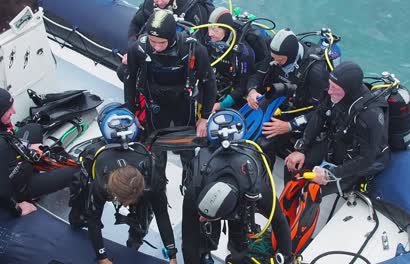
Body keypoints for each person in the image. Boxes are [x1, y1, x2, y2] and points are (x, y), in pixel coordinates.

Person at [68, 103, 177, 264]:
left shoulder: (152, 178)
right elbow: (93, 218)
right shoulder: (100, 185)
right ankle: (76, 218)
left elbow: (162, 214)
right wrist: (102, 256)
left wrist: (172, 253)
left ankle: (134, 242)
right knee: (82, 200)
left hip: (139, 182)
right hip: (102, 172)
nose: (126, 206)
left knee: (143, 220)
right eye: (125, 202)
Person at [181, 110, 293, 264]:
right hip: (216, 187)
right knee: (203, 238)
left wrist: (287, 256)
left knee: (239, 237)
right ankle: (206, 252)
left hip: (241, 204)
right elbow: (188, 238)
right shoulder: (197, 183)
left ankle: (237, 256)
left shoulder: (255, 186)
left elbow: (279, 220)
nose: (201, 217)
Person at [124, 10, 217, 189]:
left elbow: (209, 84)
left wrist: (205, 117)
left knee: (187, 151)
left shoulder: (194, 49)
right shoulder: (139, 48)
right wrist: (132, 111)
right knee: (157, 152)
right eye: (153, 41)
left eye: (161, 42)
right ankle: (159, 186)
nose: (157, 47)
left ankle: (189, 185)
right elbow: (129, 80)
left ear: (172, 37)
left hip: (184, 105)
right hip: (155, 105)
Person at [284, 61, 390, 195]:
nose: (329, 91)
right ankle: (285, 211)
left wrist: (329, 174)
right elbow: (319, 116)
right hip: (337, 142)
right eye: (330, 85)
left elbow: (366, 159)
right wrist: (302, 149)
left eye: (335, 88)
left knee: (312, 190)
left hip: (358, 160)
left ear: (348, 90)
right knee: (292, 164)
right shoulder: (333, 93)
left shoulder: (370, 116)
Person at [244, 28, 331, 181]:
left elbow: (323, 111)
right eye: (274, 59)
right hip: (279, 107)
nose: (275, 63)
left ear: (291, 57)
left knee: (265, 143)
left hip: (302, 117)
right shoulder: (275, 55)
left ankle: (263, 183)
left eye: (280, 60)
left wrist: (290, 125)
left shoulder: (315, 71)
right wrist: (251, 91)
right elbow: (257, 75)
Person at [0, 86, 78, 216]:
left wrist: (26, 148)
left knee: (33, 128)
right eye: (8, 109)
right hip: (20, 185)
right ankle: (29, 194)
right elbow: (0, 191)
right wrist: (18, 208)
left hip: (9, 161)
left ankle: (32, 163)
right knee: (75, 172)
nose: (14, 111)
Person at [206, 7, 270, 111]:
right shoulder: (208, 39)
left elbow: (242, 87)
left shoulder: (243, 51)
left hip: (237, 88)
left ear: (226, 30)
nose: (210, 33)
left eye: (215, 30)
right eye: (209, 28)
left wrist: (219, 106)